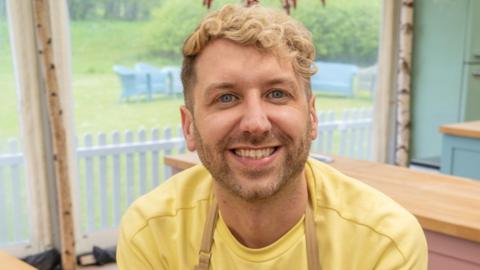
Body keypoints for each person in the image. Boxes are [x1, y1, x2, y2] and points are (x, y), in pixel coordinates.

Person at [117, 4, 428, 269]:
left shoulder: (383, 242)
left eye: (277, 94)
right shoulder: (151, 232)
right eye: (226, 97)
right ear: (189, 127)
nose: (256, 123)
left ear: (312, 115)